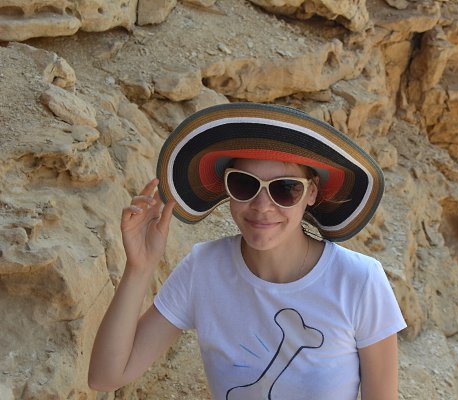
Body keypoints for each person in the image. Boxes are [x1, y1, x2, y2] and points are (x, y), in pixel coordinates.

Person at [88, 103, 406, 399]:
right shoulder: (204, 269)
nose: (262, 206)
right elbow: (106, 376)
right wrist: (140, 267)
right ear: (227, 188)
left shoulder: (359, 281)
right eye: (244, 184)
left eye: (285, 188)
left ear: (311, 192)